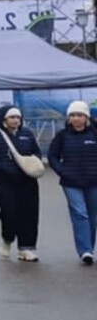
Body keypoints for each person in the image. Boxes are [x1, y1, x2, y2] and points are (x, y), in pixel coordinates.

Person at [0, 104, 43, 262]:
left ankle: (26, 248)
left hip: (27, 179)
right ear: (4, 119)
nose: (16, 120)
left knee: (29, 213)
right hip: (4, 181)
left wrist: (33, 162)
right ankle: (7, 239)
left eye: (18, 117)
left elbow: (36, 151)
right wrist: (1, 166)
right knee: (10, 212)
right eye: (12, 117)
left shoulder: (27, 134)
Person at [47, 100, 97, 266]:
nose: (76, 118)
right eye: (73, 115)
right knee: (80, 213)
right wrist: (63, 171)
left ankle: (89, 247)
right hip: (71, 182)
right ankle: (85, 251)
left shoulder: (94, 134)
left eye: (80, 115)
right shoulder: (62, 136)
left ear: (86, 117)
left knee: (92, 216)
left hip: (93, 182)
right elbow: (52, 156)